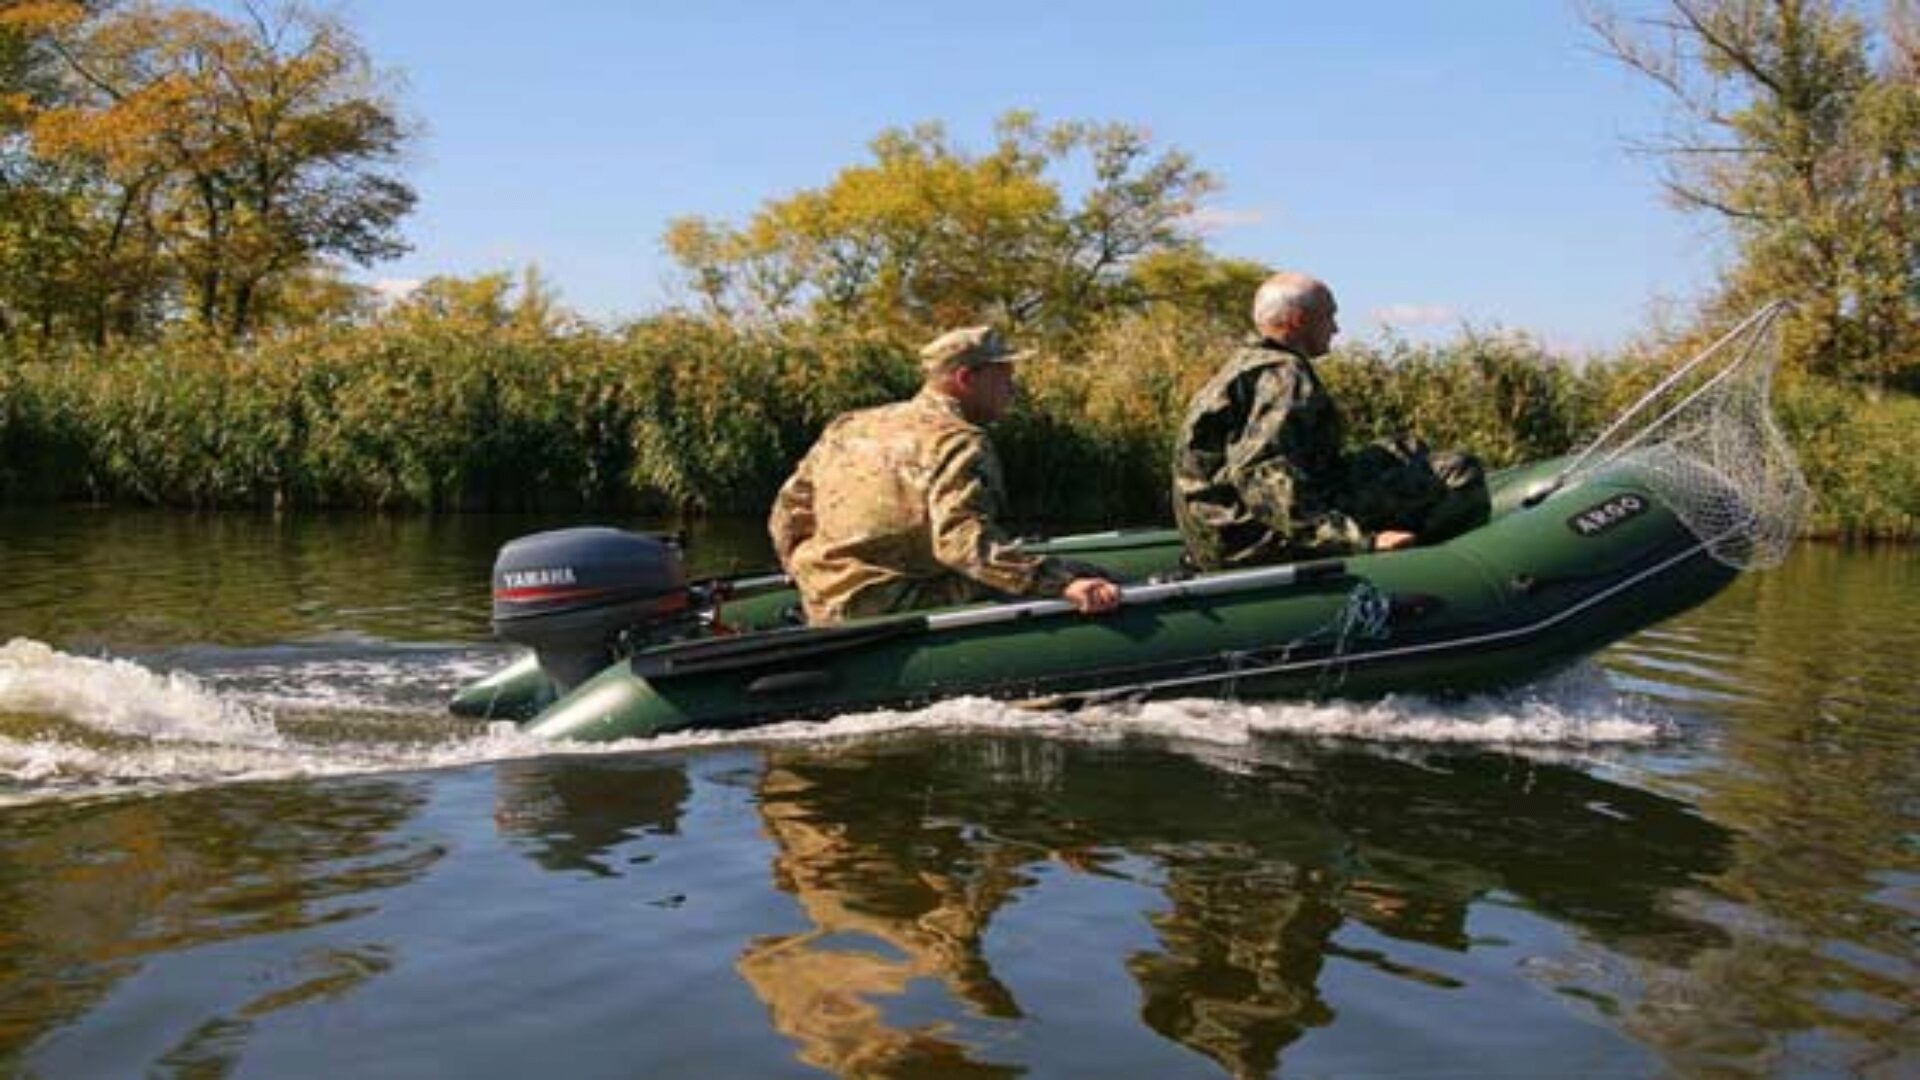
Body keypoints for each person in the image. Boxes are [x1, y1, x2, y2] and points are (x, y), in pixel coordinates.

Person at [769, 326, 1123, 625]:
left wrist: (804, 574)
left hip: (820, 596)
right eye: (1004, 378)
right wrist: (1061, 584)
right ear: (966, 378)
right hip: (886, 602)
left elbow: (788, 514)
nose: (1013, 391)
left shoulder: (850, 425)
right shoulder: (959, 440)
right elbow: (959, 544)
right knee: (1087, 574)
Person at [1172, 271, 1489, 571]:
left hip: (1218, 531)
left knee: (1404, 448)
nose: (1335, 329)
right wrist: (1359, 541)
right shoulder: (1284, 375)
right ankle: (1421, 569)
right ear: (1298, 321)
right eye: (1330, 316)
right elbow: (1263, 476)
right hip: (1249, 541)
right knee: (1459, 470)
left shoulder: (1246, 364)